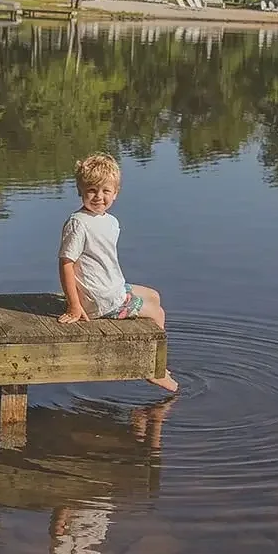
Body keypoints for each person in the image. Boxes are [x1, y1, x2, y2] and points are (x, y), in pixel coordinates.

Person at [57, 152, 178, 393]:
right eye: (91, 190)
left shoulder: (110, 221)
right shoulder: (79, 223)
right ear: (80, 190)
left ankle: (153, 361)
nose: (99, 197)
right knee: (157, 312)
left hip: (112, 287)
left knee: (153, 295)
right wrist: (74, 306)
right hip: (100, 299)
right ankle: (153, 368)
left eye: (105, 191)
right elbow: (66, 263)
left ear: (116, 193)